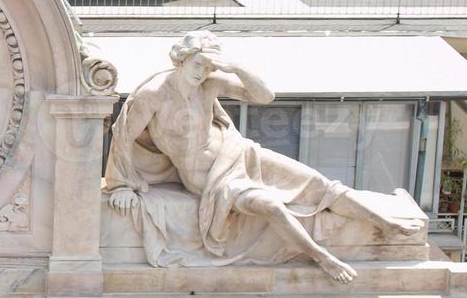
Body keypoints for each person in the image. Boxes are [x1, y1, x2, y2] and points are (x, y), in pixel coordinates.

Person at [104, 31, 422, 284]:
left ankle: (386, 221)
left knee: (318, 183)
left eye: (208, 66)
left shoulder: (210, 82)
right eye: (198, 64)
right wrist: (120, 186)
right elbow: (123, 136)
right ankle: (322, 257)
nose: (202, 72)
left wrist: (234, 67)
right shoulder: (153, 94)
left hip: (238, 152)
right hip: (214, 181)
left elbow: (264, 96)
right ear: (182, 59)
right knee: (271, 206)